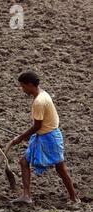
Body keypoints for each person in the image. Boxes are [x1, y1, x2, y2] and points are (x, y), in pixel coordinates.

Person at [10, 71, 80, 204]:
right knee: (24, 162)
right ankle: (26, 195)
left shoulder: (39, 102)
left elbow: (37, 125)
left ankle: (74, 198)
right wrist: (26, 136)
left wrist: (21, 137)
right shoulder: (42, 94)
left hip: (49, 137)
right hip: (43, 135)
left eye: (23, 86)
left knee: (60, 166)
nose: (22, 89)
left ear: (30, 85)